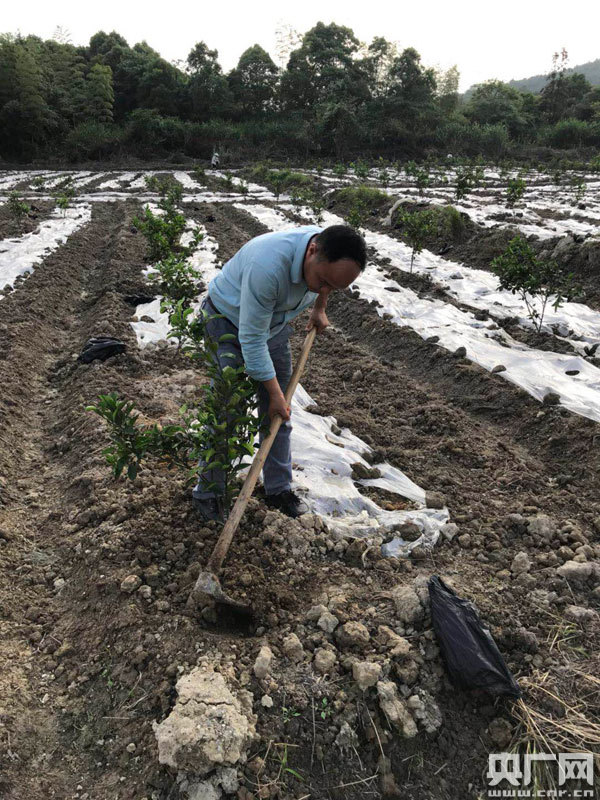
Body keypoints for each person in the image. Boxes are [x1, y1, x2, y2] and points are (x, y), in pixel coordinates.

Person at [192, 224, 367, 520]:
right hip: (226, 321)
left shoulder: (327, 253)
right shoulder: (268, 266)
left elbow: (327, 282)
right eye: (323, 282)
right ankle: (208, 492)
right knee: (227, 411)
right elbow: (251, 339)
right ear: (312, 251)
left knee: (279, 414)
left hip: (271, 325)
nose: (324, 289)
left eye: (333, 287)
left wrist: (319, 307)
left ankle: (279, 489)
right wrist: (274, 393)